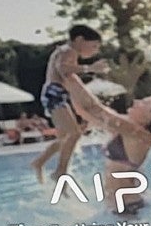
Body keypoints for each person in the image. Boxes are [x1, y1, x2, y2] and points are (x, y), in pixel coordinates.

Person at [58, 65, 151, 215]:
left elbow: (96, 109)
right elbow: (84, 111)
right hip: (118, 208)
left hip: (129, 208)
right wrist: (66, 86)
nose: (136, 101)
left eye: (144, 103)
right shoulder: (127, 129)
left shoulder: (140, 135)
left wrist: (70, 76)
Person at [31, 25, 110, 181]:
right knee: (73, 134)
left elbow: (68, 75)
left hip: (57, 94)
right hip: (54, 94)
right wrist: (90, 68)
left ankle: (41, 163)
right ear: (80, 40)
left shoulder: (65, 51)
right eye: (94, 46)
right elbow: (63, 69)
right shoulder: (69, 50)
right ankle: (60, 171)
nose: (95, 51)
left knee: (64, 138)